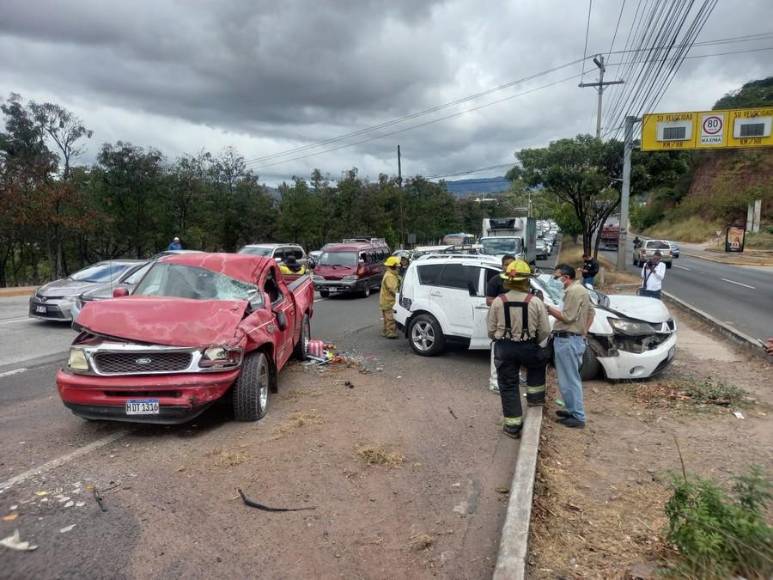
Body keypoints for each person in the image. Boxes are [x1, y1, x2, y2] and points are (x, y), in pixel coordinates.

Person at [487, 260, 551, 439]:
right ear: (526, 281)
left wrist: (500, 339)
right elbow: (545, 330)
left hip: (505, 348)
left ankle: (513, 427)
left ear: (508, 280)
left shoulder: (498, 301)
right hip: (529, 345)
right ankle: (535, 399)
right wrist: (533, 342)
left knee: (508, 385)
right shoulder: (536, 302)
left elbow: (491, 330)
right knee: (537, 368)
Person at [546, 264, 594, 429]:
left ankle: (578, 416)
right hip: (573, 339)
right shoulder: (579, 290)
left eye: (556, 277)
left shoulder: (573, 292)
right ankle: (572, 410)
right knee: (569, 378)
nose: (555, 280)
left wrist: (547, 308)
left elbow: (567, 317)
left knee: (570, 380)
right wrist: (584, 332)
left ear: (565, 277)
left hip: (568, 339)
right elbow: (591, 313)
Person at [485, 254, 516, 392]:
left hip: (516, 319)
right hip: (499, 319)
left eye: (512, 264)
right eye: (506, 264)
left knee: (516, 348)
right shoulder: (496, 280)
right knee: (498, 350)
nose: (509, 267)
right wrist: (506, 300)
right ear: (502, 266)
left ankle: (515, 376)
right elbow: (488, 301)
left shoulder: (518, 279)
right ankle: (494, 381)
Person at [380, 256, 402, 339]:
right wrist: (399, 296)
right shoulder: (390, 277)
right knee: (391, 318)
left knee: (386, 317)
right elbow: (393, 290)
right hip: (389, 301)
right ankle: (390, 332)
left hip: (385, 300)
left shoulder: (390, 274)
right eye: (398, 266)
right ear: (393, 266)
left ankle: (386, 331)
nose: (399, 268)